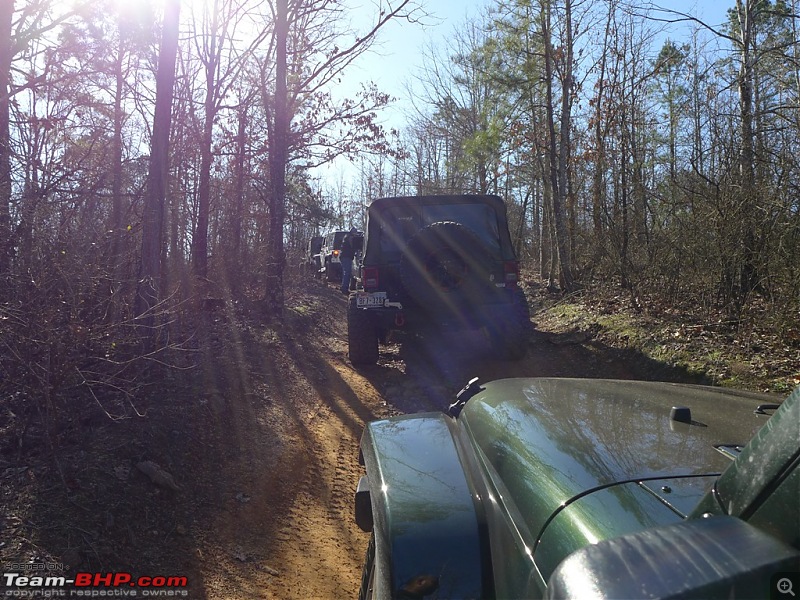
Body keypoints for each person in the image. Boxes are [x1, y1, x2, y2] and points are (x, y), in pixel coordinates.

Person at [339, 228, 357, 295]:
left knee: (348, 272)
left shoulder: (347, 237)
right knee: (347, 272)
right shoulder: (350, 238)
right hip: (346, 257)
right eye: (355, 233)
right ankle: (344, 288)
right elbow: (352, 247)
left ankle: (347, 287)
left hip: (345, 256)